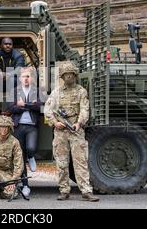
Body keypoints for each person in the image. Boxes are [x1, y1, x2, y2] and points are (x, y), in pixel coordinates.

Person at [44, 61, 99, 202]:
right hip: (60, 132)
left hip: (76, 131)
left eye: (71, 75)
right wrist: (55, 123)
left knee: (80, 162)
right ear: (62, 77)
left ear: (75, 75)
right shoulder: (56, 93)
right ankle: (64, 190)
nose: (68, 77)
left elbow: (85, 109)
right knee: (61, 162)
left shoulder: (81, 91)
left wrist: (79, 123)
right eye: (66, 75)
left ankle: (86, 191)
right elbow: (48, 110)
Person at [7, 67, 42, 198]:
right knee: (20, 158)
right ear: (20, 78)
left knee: (30, 148)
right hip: (18, 126)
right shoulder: (14, 91)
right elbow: (10, 107)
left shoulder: (37, 91)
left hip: (32, 126)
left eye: (28, 76)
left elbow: (40, 106)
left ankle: (31, 156)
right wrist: (27, 106)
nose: (26, 78)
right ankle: (25, 185)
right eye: (24, 76)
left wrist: (23, 105)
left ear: (31, 78)